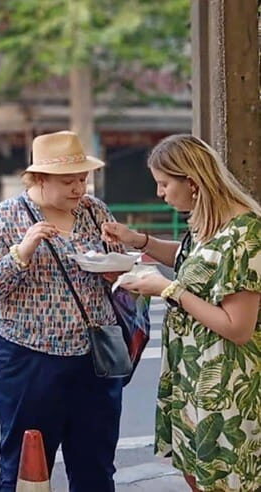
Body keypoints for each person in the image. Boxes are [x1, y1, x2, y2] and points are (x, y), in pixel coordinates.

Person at [103, 134, 261, 492]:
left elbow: (238, 328)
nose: (160, 193)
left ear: (191, 182)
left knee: (225, 477)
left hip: (225, 382)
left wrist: (168, 289)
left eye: (163, 183)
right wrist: (138, 241)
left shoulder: (245, 233)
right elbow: (193, 262)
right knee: (195, 468)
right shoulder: (208, 224)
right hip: (192, 373)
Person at [0, 131, 125, 491]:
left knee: (96, 464)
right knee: (27, 463)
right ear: (38, 179)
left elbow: (111, 269)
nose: (79, 188)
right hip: (26, 356)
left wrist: (115, 270)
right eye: (68, 181)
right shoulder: (4, 218)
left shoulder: (94, 211)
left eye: (82, 179)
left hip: (93, 355)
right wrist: (21, 253)